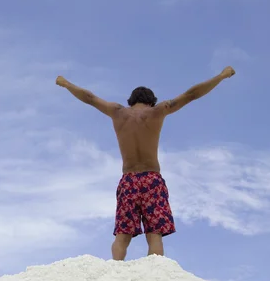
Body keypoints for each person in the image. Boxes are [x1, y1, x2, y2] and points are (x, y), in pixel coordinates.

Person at [55, 66, 236, 260]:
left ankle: (115, 270)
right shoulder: (158, 111)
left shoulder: (117, 112)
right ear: (151, 102)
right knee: (154, 233)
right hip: (152, 180)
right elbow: (191, 94)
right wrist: (222, 76)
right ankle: (154, 274)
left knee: (122, 235)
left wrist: (66, 84)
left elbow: (90, 98)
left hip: (128, 181)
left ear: (131, 102)